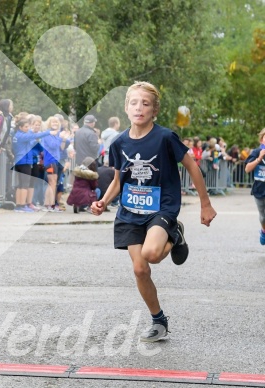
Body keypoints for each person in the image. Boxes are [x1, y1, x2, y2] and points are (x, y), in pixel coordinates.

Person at [91, 81, 217, 342]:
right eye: (134, 103)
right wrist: (103, 201)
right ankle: (158, 320)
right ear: (126, 108)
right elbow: (117, 181)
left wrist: (205, 203)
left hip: (162, 206)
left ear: (154, 110)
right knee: (140, 269)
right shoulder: (119, 143)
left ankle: (174, 233)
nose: (139, 108)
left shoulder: (165, 137)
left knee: (151, 254)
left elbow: (192, 166)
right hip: (129, 211)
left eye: (145, 104)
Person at [244, 128, 265, 245]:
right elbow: (247, 169)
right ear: (262, 140)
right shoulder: (256, 152)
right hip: (259, 190)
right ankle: (264, 231)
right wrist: (259, 159)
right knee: (263, 217)